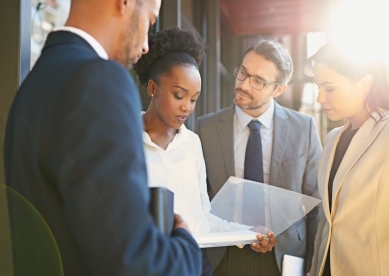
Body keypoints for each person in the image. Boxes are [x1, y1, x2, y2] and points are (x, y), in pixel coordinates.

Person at [3, 0, 202, 275]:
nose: (146, 45)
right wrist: (187, 247)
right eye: (150, 20)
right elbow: (135, 262)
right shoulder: (99, 79)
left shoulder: (30, 88)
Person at [197, 37, 322, 276]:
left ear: (279, 89)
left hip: (283, 257)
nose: (243, 84)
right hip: (224, 257)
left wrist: (313, 267)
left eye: (258, 81)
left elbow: (315, 206)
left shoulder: (303, 128)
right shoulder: (207, 128)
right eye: (243, 73)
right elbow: (200, 200)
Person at [305, 42, 389, 276]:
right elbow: (327, 219)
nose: (320, 97)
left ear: (365, 84)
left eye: (329, 88)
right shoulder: (332, 139)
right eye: (319, 87)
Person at [133, 27, 212, 276]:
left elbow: (203, 210)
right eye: (179, 95)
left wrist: (247, 233)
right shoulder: (125, 139)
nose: (187, 107)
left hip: (194, 261)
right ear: (153, 89)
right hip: (145, 263)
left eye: (194, 99)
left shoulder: (193, 144)